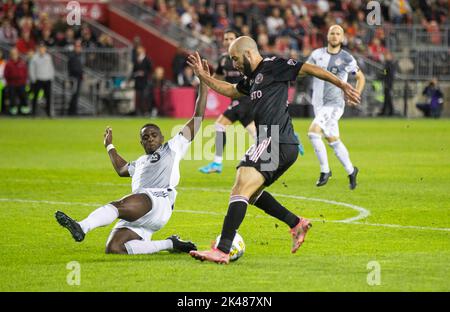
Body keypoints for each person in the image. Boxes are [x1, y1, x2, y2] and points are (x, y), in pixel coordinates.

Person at [187, 35, 360, 264]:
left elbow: (311, 69)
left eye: (236, 59)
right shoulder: (253, 79)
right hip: (274, 141)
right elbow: (230, 90)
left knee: (240, 186)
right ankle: (296, 223)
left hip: (275, 139)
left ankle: (222, 249)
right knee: (251, 193)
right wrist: (203, 76)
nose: (234, 64)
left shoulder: (274, 66)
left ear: (248, 53)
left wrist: (342, 84)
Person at [55, 59, 211, 255]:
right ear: (141, 143)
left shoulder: (173, 146)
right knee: (114, 248)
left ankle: (82, 226)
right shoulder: (140, 162)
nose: (150, 139)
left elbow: (198, 118)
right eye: (145, 137)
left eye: (154, 135)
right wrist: (109, 146)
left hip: (158, 200)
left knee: (118, 205)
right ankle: (171, 244)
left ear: (162, 137)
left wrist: (203, 82)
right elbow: (121, 169)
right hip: (142, 212)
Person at [306, 25, 365, 189]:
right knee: (332, 139)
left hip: (334, 104)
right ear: (327, 35)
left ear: (342, 38)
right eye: (332, 33)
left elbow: (360, 77)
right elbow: (304, 70)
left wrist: (356, 94)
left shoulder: (346, 58)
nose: (334, 36)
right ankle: (351, 170)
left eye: (338, 33)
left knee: (313, 132)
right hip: (318, 103)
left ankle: (325, 171)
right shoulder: (316, 55)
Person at [198, 29, 257, 174]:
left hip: (246, 98)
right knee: (254, 133)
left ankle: (217, 163)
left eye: (231, 38)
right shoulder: (224, 59)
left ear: (238, 40)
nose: (228, 41)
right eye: (226, 39)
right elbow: (217, 77)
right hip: (236, 100)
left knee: (221, 125)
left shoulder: (246, 57)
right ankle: (286, 138)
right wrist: (205, 78)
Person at [29, 42, 54, 117]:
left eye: (43, 48)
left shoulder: (48, 57)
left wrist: (51, 77)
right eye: (41, 48)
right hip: (38, 80)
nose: (42, 49)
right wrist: (33, 79)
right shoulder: (34, 58)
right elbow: (31, 69)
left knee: (48, 98)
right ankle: (33, 112)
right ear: (38, 49)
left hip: (47, 79)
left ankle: (48, 113)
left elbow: (51, 68)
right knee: (35, 97)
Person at [4, 47, 29, 116]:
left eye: (15, 54)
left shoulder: (22, 63)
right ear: (11, 55)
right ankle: (13, 112)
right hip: (12, 84)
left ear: (18, 54)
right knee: (12, 98)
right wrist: (9, 82)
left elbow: (25, 73)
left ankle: (24, 111)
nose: (14, 55)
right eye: (13, 54)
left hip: (21, 83)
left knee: (23, 97)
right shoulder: (8, 64)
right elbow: (6, 74)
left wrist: (24, 81)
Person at [131, 45, 152, 116]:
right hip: (137, 81)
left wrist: (144, 73)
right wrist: (135, 74)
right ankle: (138, 111)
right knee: (138, 97)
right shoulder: (136, 59)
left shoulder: (147, 59)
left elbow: (150, 70)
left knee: (144, 97)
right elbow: (133, 70)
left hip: (144, 81)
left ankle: (145, 111)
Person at [68, 40, 83, 116]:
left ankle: (73, 111)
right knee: (74, 95)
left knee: (76, 95)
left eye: (80, 46)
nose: (79, 48)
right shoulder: (73, 56)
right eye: (77, 46)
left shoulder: (79, 56)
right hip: (74, 78)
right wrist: (80, 73)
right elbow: (73, 69)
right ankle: (72, 111)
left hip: (78, 78)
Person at [379, 51, 396, 116]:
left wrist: (383, 76)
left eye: (387, 56)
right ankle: (386, 111)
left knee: (388, 97)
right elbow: (385, 73)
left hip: (388, 83)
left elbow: (387, 74)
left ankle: (390, 111)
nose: (386, 57)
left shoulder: (389, 64)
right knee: (387, 98)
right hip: (387, 82)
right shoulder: (388, 64)